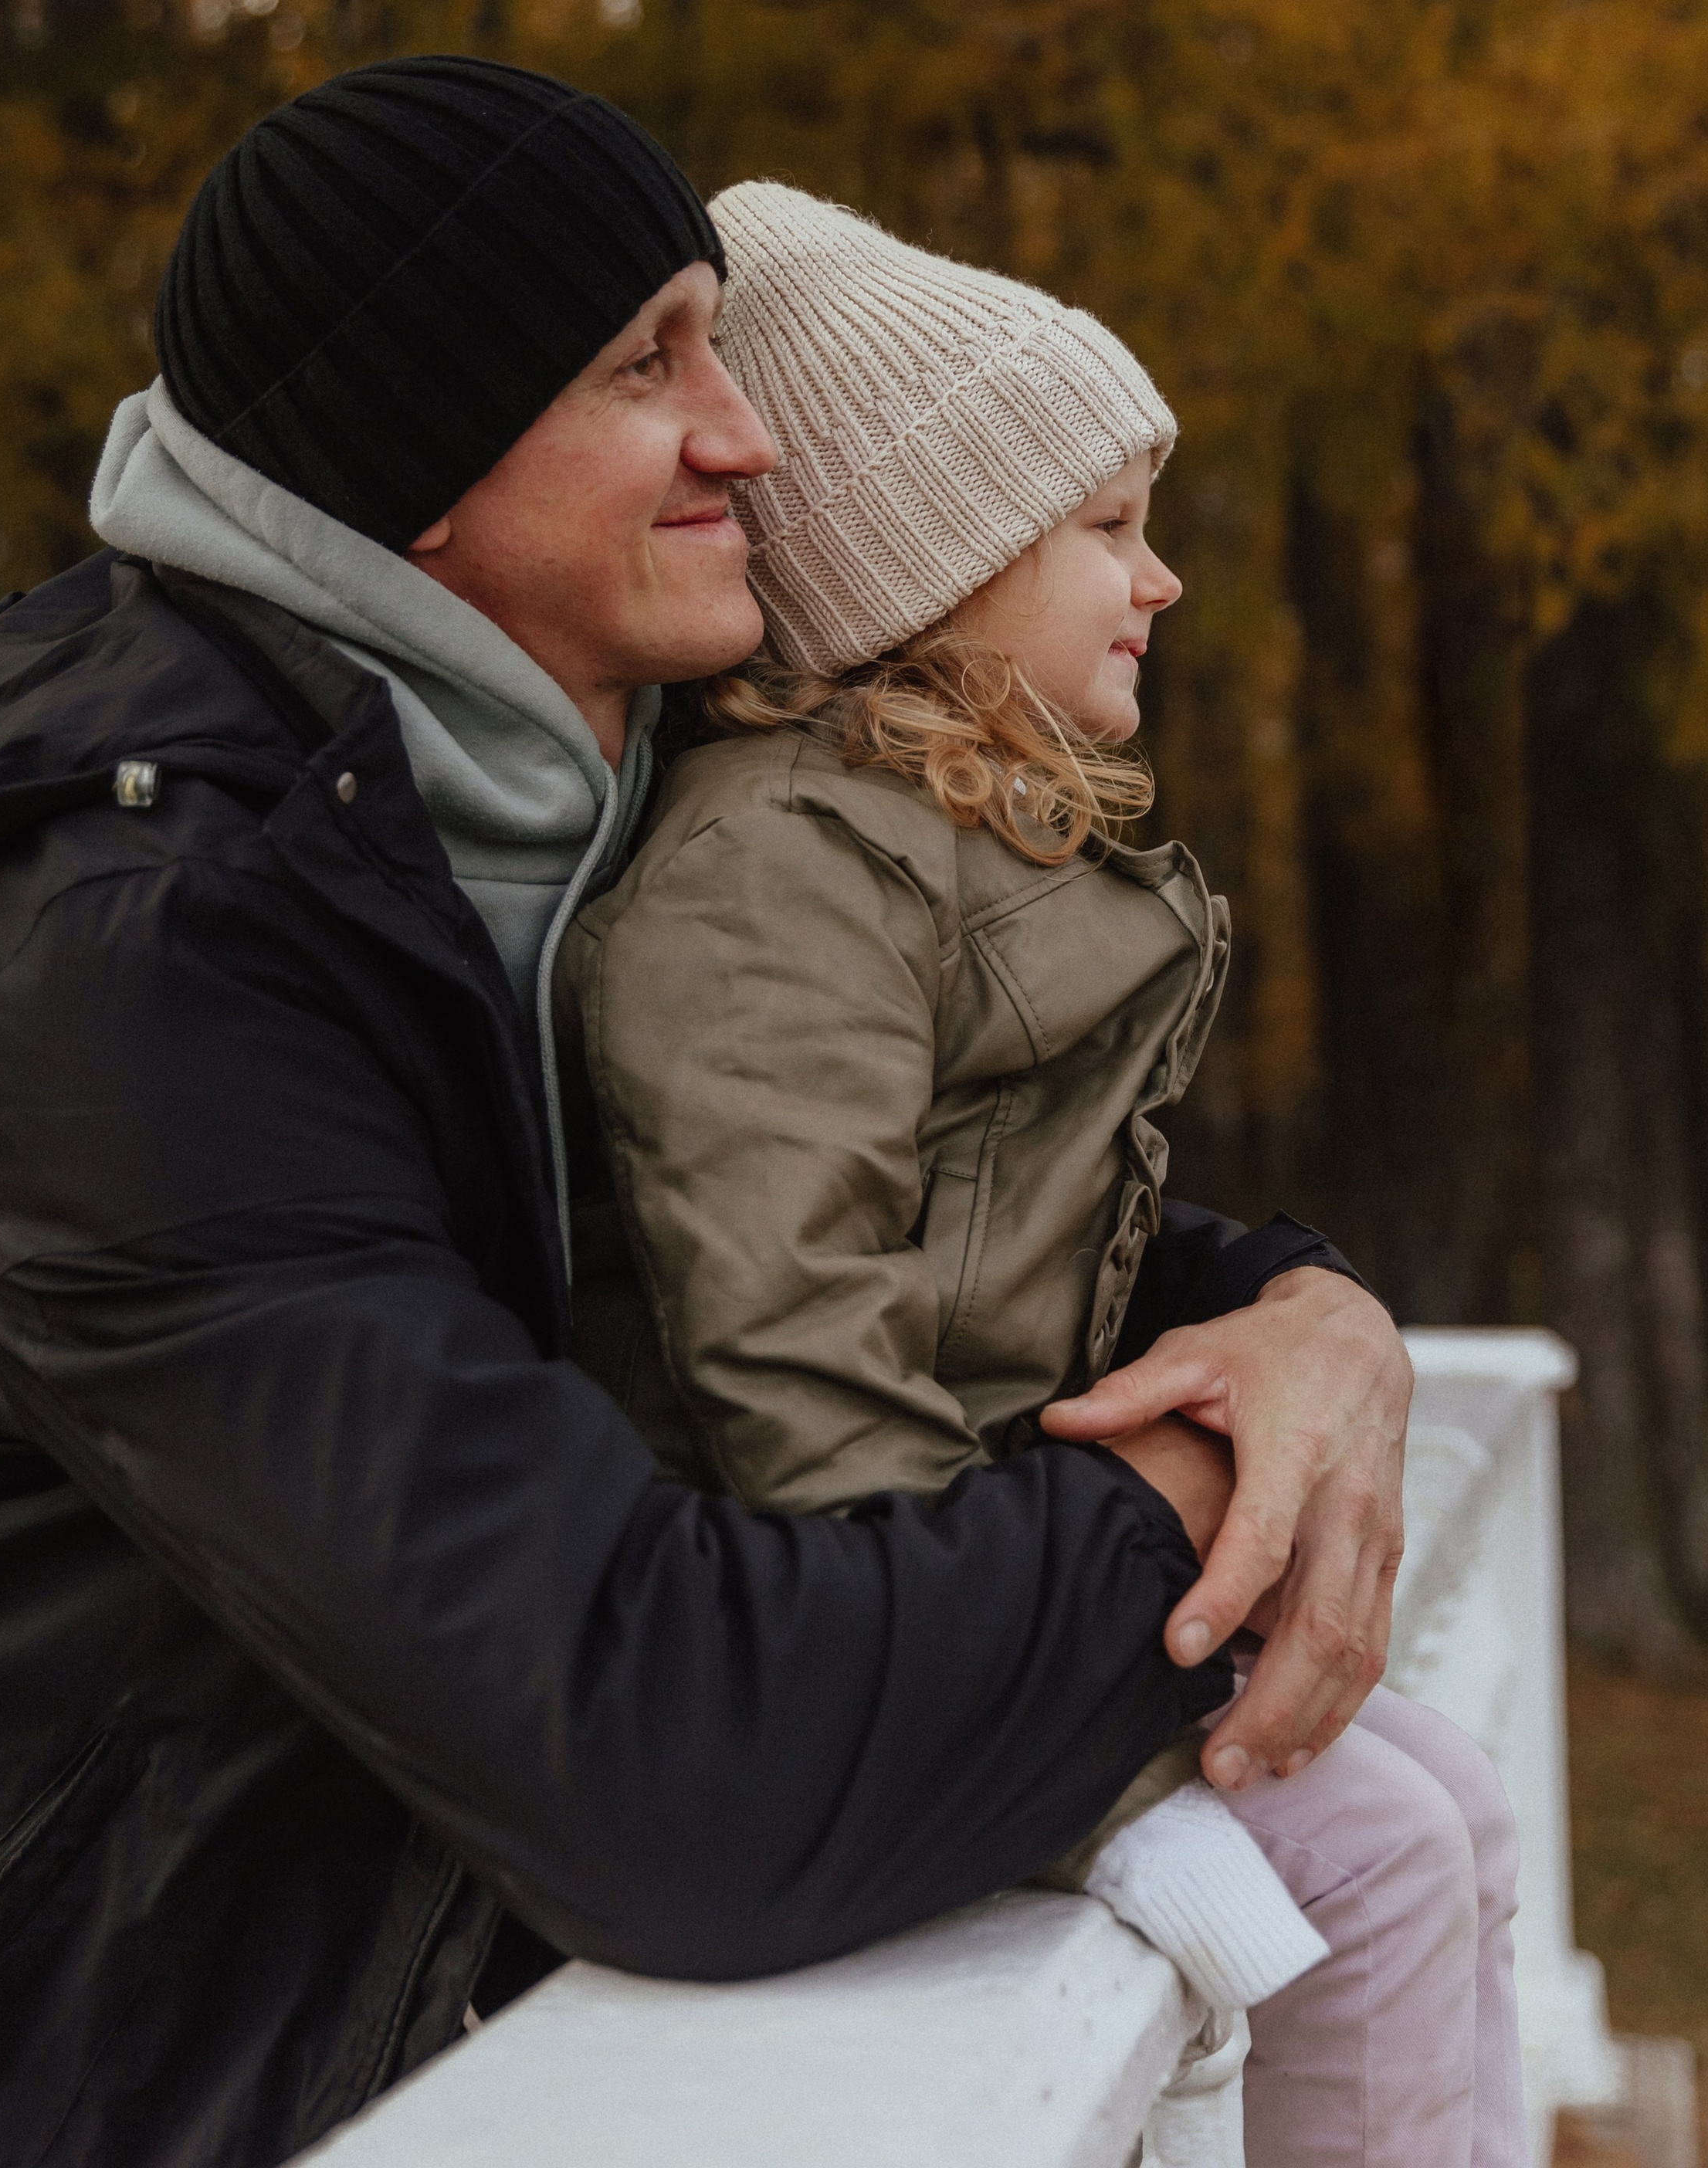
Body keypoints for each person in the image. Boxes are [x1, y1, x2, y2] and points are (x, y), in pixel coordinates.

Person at [0, 59, 1410, 2168]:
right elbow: (663, 1763)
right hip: (121, 2087)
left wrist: (1295, 1310)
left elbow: (867, 1197)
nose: (745, 433)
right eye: (642, 365)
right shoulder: (151, 972)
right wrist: (1189, 1482)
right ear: (417, 453)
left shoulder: (546, 808)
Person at [560, 179, 1529, 2168]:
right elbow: (794, 1352)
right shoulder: (774, 877)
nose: (1159, 581)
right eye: (1106, 528)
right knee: (1380, 1868)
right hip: (868, 1649)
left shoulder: (930, 846)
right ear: (925, 567)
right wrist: (1084, 1782)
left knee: (1456, 1806)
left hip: (987, 1592)